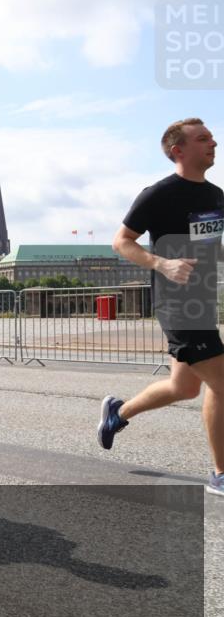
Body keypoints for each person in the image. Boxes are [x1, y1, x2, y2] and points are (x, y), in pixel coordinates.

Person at [102, 118, 224, 497]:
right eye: (203, 138)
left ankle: (116, 415)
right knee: (223, 383)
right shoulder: (159, 194)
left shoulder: (217, 195)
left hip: (204, 302)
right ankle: (221, 474)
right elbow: (121, 242)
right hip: (176, 305)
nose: (214, 142)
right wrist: (161, 263)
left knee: (183, 387)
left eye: (212, 137)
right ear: (178, 150)